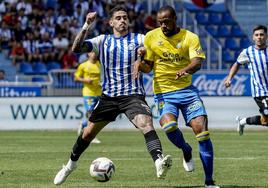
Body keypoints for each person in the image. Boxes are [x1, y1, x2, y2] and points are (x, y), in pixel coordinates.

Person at [53, 5, 172, 185]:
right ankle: (70, 166)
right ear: (110, 22)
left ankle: (158, 162)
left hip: (133, 95)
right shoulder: (102, 40)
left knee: (146, 124)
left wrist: (145, 55)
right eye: (118, 18)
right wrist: (86, 25)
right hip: (109, 96)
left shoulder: (140, 39)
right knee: (87, 134)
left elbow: (157, 48)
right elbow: (76, 48)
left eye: (125, 17)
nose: (122, 20)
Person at [133, 5, 219, 188]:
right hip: (164, 93)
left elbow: (197, 63)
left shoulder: (190, 37)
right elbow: (148, 67)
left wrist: (184, 70)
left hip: (187, 91)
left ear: (175, 19)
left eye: (166, 22)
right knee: (170, 126)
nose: (163, 26)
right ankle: (185, 149)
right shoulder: (151, 37)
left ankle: (209, 182)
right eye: (160, 22)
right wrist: (139, 61)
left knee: (202, 133)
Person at [224, 25, 268, 136]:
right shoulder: (248, 52)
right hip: (260, 91)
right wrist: (229, 78)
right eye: (256, 35)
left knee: (265, 121)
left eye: (262, 35)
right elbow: (237, 64)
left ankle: (243, 121)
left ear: (266, 36)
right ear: (253, 37)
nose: (259, 37)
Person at [74, 51, 102, 144]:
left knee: (97, 115)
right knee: (91, 113)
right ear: (88, 54)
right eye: (92, 52)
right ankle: (91, 136)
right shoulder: (83, 65)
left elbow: (103, 77)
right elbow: (76, 77)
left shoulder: (99, 64)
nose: (94, 54)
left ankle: (83, 124)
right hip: (88, 93)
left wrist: (102, 82)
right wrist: (84, 79)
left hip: (98, 92)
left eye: (95, 53)